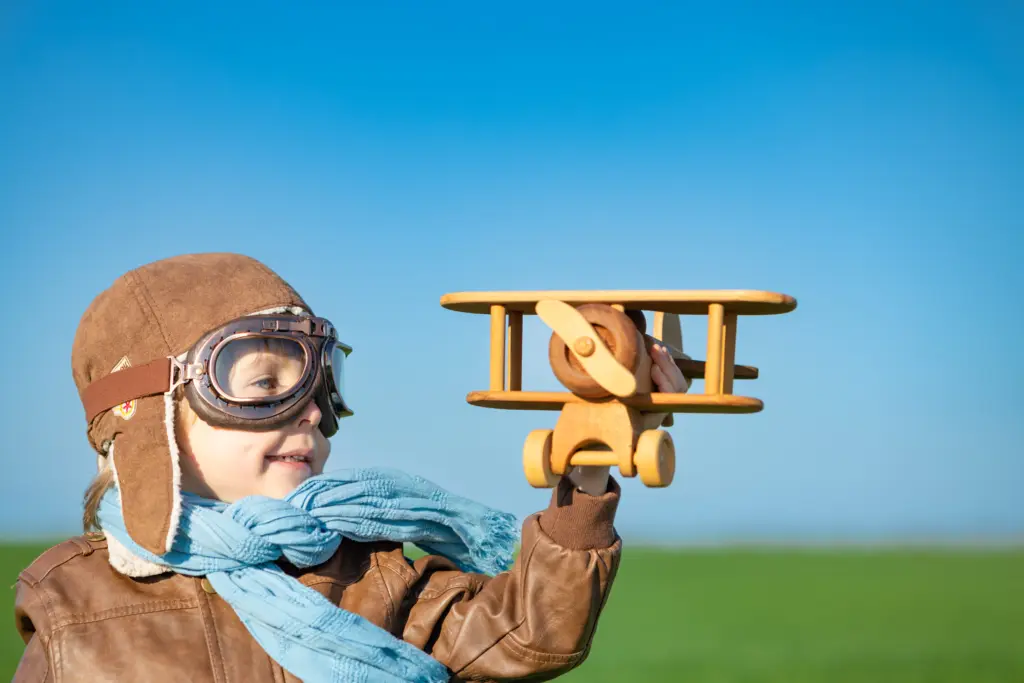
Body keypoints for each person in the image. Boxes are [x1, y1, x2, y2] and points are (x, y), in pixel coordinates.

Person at [12, 253, 687, 682]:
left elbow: (532, 631)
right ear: (147, 417)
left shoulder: (366, 568)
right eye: (261, 381)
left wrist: (592, 457)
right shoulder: (72, 604)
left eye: (320, 385)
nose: (308, 412)